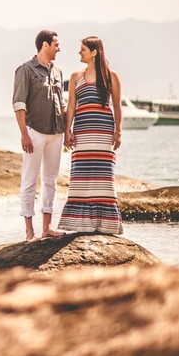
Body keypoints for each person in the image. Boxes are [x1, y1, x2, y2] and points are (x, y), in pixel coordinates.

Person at [56, 36, 124, 234]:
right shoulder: (76, 77)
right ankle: (80, 224)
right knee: (81, 175)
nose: (79, 52)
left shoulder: (111, 76)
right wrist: (67, 130)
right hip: (82, 132)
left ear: (94, 52)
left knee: (103, 176)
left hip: (103, 132)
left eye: (83, 49)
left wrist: (118, 131)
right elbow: (71, 107)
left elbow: (118, 106)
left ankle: (105, 225)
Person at [12, 30, 66, 241]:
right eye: (56, 44)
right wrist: (24, 134)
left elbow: (62, 104)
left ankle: (47, 227)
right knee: (29, 180)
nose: (59, 49)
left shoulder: (58, 72)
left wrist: (68, 131)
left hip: (56, 133)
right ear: (45, 45)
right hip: (34, 132)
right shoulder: (25, 70)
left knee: (51, 180)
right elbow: (18, 104)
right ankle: (29, 232)